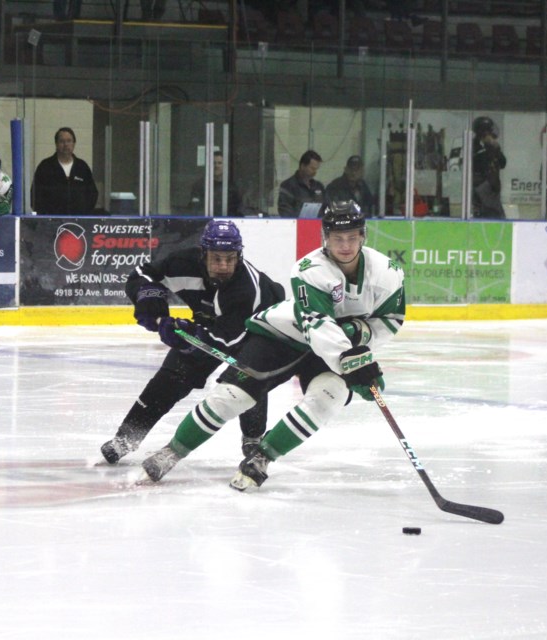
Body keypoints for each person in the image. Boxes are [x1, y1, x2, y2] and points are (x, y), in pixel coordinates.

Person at [139, 201, 406, 490]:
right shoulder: (309, 269)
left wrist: (361, 338)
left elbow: (391, 319)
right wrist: (351, 359)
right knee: (233, 396)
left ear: (363, 236)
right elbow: (317, 324)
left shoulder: (387, 272)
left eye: (353, 237)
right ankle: (173, 451)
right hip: (283, 335)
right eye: (337, 238)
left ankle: (262, 458)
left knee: (330, 396)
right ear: (325, 238)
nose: (345, 245)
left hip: (333, 347)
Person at [100, 219, 286, 465]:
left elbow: (227, 340)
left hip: (255, 331)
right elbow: (144, 275)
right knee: (170, 378)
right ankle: (126, 438)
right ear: (203, 254)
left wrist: (189, 336)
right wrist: (151, 304)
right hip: (209, 324)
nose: (223, 266)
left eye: (230, 259)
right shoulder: (183, 263)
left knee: (246, 378)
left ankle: (253, 436)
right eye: (217, 258)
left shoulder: (247, 289)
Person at [32, 127, 98, 215]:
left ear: (74, 144)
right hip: (51, 221)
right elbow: (35, 195)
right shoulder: (45, 167)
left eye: (69, 141)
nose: (66, 144)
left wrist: (84, 212)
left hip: (78, 220)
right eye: (62, 141)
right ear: (56, 144)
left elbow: (92, 194)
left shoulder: (82, 167)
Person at [471, 116, 507, 219]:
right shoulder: (475, 146)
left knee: (498, 217)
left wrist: (496, 148)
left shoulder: (490, 146)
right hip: (482, 189)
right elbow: (477, 164)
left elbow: (503, 163)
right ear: (484, 132)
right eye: (489, 131)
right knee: (496, 217)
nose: (492, 134)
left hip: (492, 189)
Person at [188, 151, 243, 215]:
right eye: (214, 163)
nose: (216, 166)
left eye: (219, 163)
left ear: (225, 166)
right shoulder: (200, 186)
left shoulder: (232, 187)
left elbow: (239, 209)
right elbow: (195, 209)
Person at [277, 150, 325, 217]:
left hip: (318, 225)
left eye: (316, 169)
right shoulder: (288, 186)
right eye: (312, 168)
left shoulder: (318, 186)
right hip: (296, 225)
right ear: (302, 166)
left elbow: (326, 208)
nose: (315, 172)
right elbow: (285, 212)